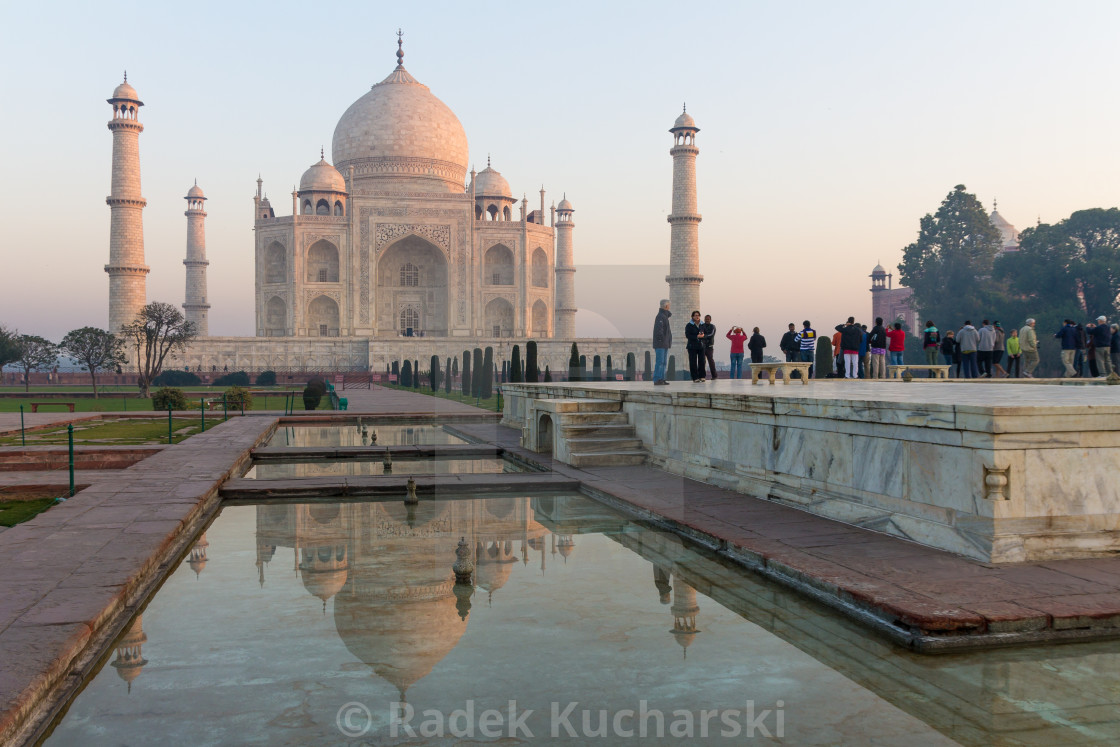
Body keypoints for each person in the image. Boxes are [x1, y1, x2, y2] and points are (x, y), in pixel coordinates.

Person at [651, 299, 672, 385]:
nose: (669, 307)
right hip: (661, 343)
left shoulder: (664, 316)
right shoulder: (660, 316)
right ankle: (657, 379)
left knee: (663, 362)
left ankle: (662, 378)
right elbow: (659, 331)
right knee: (660, 362)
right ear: (666, 306)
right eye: (669, 305)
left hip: (665, 343)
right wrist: (662, 340)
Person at [685, 310, 706, 382]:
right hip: (692, 346)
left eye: (698, 315)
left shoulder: (703, 324)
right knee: (693, 362)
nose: (697, 317)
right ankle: (695, 377)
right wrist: (696, 336)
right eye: (695, 315)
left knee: (702, 361)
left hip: (701, 345)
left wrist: (703, 336)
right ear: (692, 316)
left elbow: (706, 334)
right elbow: (687, 335)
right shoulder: (689, 325)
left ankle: (702, 376)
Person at [701, 314, 718, 380]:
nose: (707, 320)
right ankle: (702, 376)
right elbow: (701, 332)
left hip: (709, 346)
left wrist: (704, 336)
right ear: (704, 319)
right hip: (702, 346)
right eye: (706, 319)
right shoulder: (702, 326)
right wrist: (704, 335)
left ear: (710, 320)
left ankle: (714, 376)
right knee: (702, 361)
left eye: (708, 319)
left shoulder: (713, 326)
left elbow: (711, 334)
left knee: (710, 361)